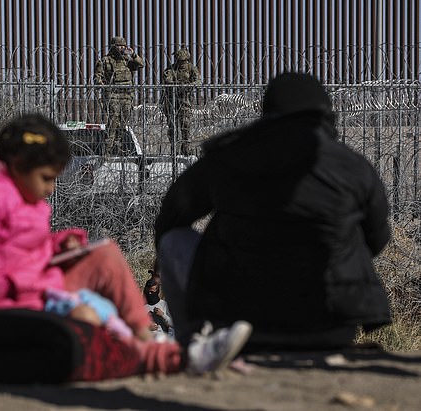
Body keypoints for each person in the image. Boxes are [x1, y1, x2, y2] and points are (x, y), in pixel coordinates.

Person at [0, 113, 251, 382]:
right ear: (20, 166)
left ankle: (149, 339)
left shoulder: (20, 194)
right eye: (48, 178)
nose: (52, 189)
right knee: (85, 323)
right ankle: (173, 357)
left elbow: (16, 251)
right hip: (2, 306)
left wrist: (56, 244)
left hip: (36, 287)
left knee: (105, 256)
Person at [154, 72, 392, 351]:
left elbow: (170, 219)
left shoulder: (230, 157)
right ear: (326, 113)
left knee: (173, 242)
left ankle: (194, 343)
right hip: (329, 328)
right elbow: (377, 238)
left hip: (243, 326)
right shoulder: (353, 166)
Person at [94, 36, 145, 155]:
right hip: (113, 95)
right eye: (119, 45)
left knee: (123, 121)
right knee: (113, 120)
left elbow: (141, 65)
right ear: (113, 46)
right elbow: (97, 77)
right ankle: (107, 148)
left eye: (123, 46)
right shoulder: (105, 61)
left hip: (127, 95)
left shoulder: (127, 60)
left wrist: (133, 54)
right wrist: (102, 85)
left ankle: (118, 144)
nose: (121, 48)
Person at [160, 46, 201, 155]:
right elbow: (167, 80)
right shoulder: (171, 69)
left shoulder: (191, 68)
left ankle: (186, 148)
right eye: (179, 61)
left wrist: (188, 86)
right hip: (171, 101)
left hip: (185, 101)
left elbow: (198, 81)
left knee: (185, 124)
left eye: (183, 61)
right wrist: (177, 85)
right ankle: (175, 149)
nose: (181, 63)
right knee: (172, 126)